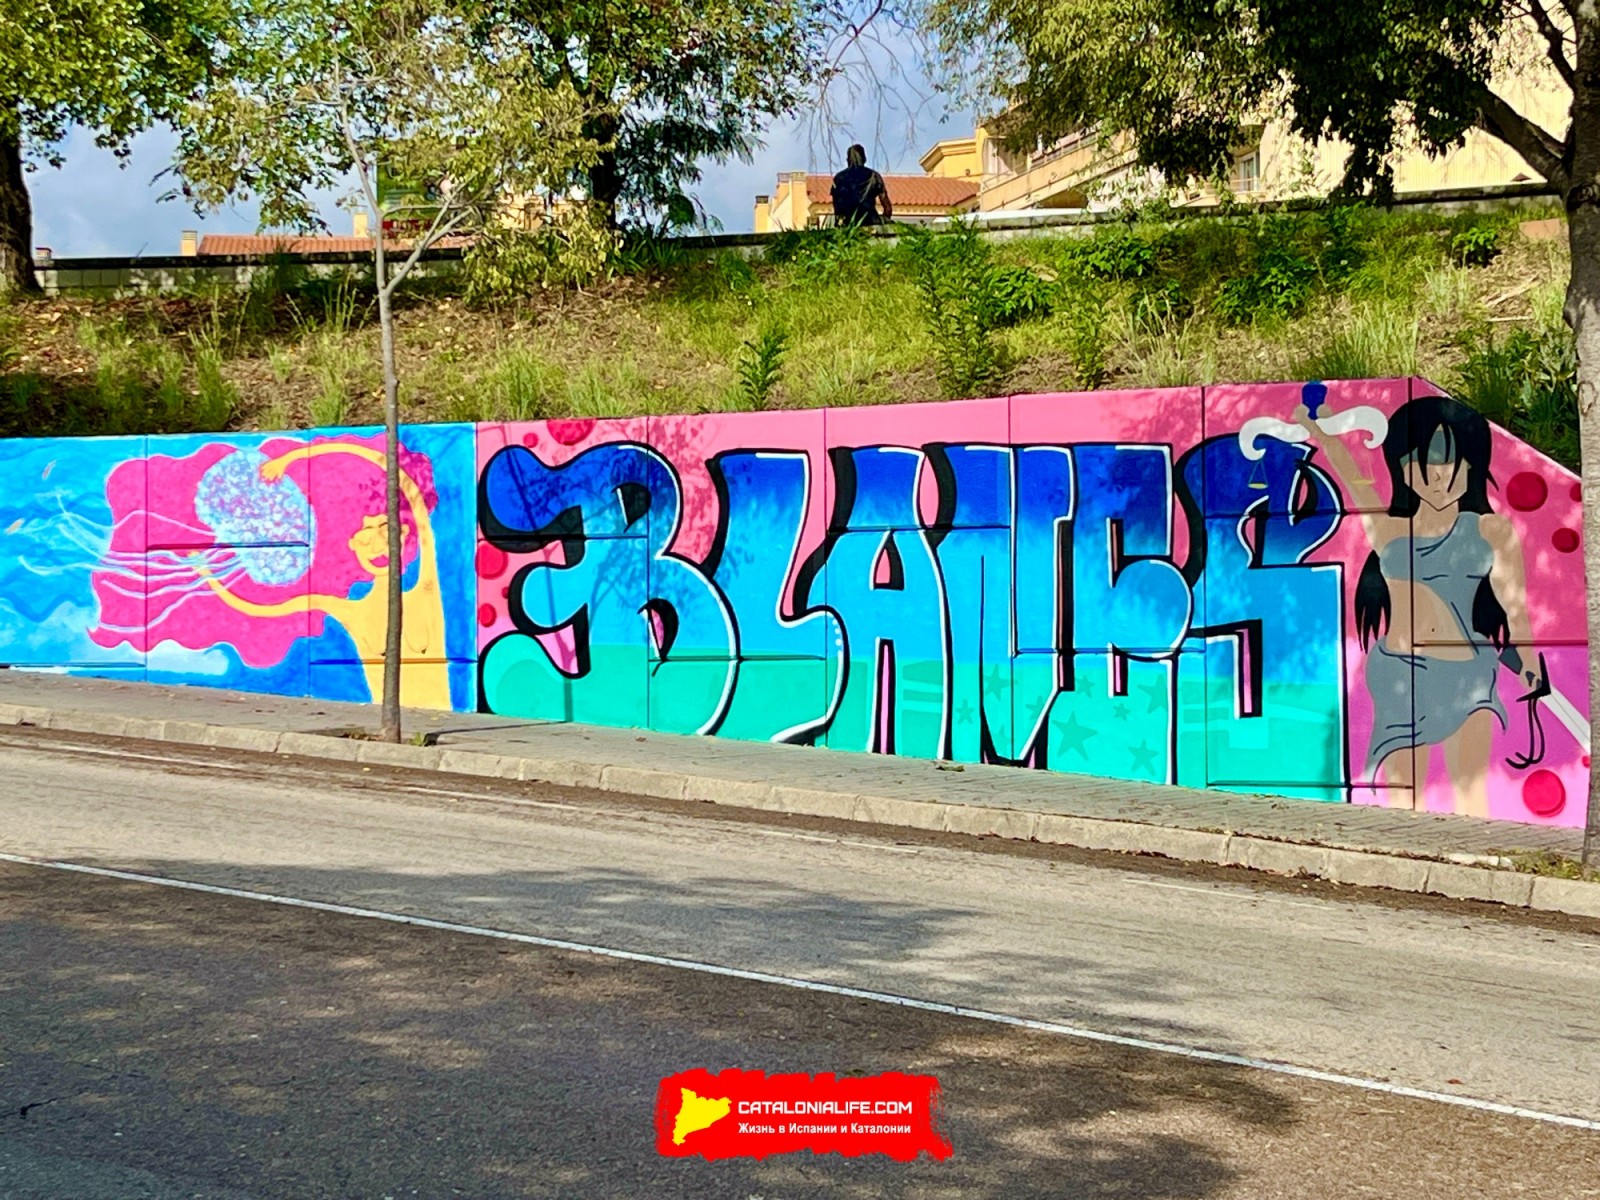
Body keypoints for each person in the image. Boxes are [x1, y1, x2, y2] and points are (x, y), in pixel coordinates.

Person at [1297, 394, 1541, 817]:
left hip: (1468, 672)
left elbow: (1513, 605)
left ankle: (1473, 858)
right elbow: (1354, 478)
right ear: (1403, 467)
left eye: (1449, 458)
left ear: (1471, 464)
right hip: (1398, 672)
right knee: (1405, 800)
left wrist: (1530, 657)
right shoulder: (1390, 530)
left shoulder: (1491, 530)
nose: (1437, 474)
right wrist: (1321, 428)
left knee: (1471, 795)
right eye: (1421, 460)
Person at [831, 144, 893, 227]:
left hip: (847, 223)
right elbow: (888, 209)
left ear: (848, 160)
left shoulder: (839, 178)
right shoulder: (874, 176)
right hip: (871, 221)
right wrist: (883, 222)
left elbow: (837, 207)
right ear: (864, 159)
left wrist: (841, 224)